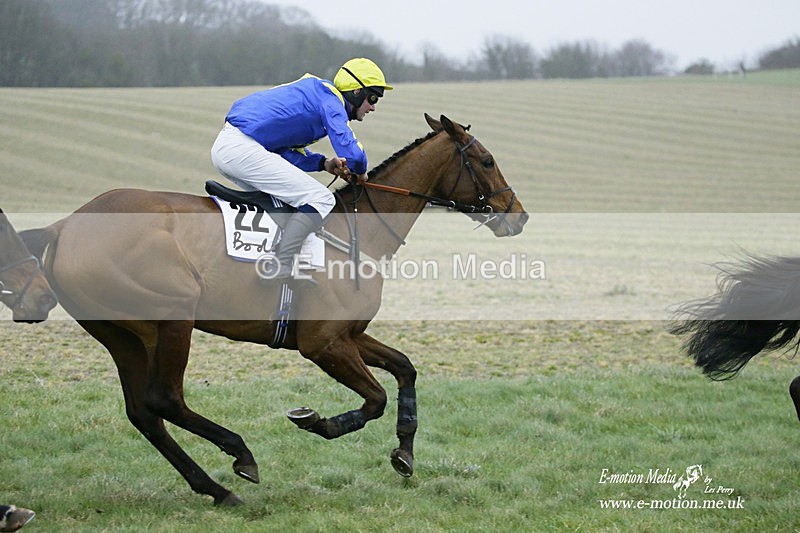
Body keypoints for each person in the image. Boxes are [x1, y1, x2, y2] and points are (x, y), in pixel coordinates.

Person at [211, 57, 392, 285]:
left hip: (233, 146)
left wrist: (323, 163)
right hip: (240, 146)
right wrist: (360, 171)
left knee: (289, 204)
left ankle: (271, 261)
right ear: (356, 92)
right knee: (323, 199)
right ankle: (281, 267)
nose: (373, 106)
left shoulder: (318, 94)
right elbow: (353, 153)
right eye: (373, 97)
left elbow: (284, 151)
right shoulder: (331, 100)